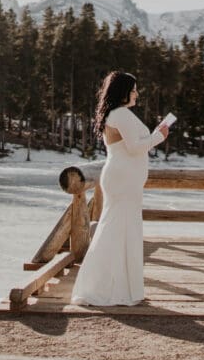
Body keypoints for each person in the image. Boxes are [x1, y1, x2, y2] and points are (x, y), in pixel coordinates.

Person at [70, 72, 170, 306]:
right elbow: (135, 148)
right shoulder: (121, 114)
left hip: (125, 179)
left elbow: (132, 145)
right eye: (133, 89)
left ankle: (122, 287)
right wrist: (159, 136)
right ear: (123, 91)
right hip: (123, 179)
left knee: (122, 231)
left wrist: (155, 135)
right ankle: (105, 288)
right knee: (116, 231)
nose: (137, 93)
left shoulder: (118, 114)